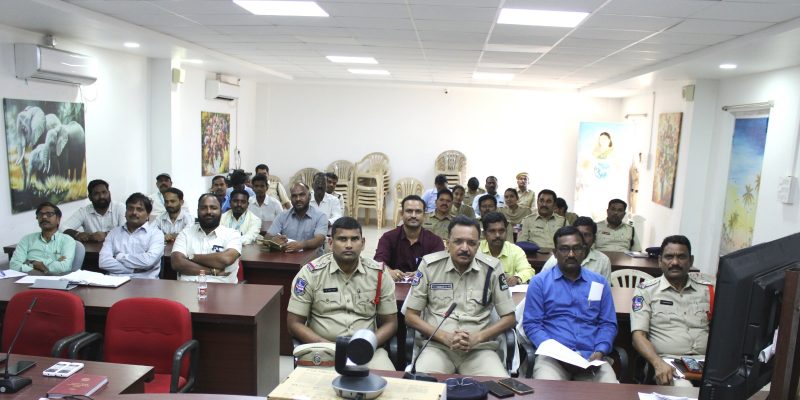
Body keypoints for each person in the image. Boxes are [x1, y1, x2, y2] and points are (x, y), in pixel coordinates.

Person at [404, 216, 516, 377]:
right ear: (447, 243)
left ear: (478, 245)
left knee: (499, 386)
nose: (465, 248)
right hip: (437, 348)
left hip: (479, 350)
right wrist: (444, 337)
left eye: (471, 243)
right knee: (423, 386)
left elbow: (509, 318)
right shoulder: (429, 266)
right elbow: (410, 317)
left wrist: (477, 338)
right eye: (458, 242)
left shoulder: (492, 268)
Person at [286, 217, 397, 370]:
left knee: (389, 381)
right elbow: (294, 324)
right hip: (323, 349)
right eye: (342, 239)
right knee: (312, 384)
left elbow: (391, 323)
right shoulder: (310, 274)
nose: (349, 245)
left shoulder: (378, 274)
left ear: (363, 243)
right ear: (331, 243)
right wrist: (331, 347)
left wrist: (367, 344)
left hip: (368, 350)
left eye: (354, 239)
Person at [523, 226, 618, 383]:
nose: (571, 254)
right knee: (547, 390)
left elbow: (608, 324)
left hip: (591, 357)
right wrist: (556, 352)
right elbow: (532, 325)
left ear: (584, 251)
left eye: (576, 248)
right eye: (564, 249)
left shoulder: (599, 282)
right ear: (555, 252)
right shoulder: (539, 282)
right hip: (553, 359)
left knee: (611, 391)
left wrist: (601, 350)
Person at [631, 235, 713, 387]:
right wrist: (658, 363)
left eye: (681, 257)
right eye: (669, 257)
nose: (675, 262)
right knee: (684, 389)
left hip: (707, 363)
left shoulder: (708, 290)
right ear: (660, 261)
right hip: (668, 363)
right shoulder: (646, 291)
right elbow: (638, 337)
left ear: (691, 261)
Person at [171, 194, 243, 283]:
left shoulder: (232, 234)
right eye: (203, 208)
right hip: (187, 288)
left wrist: (191, 257)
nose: (208, 211)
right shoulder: (185, 234)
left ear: (221, 211)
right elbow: (177, 263)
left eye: (213, 208)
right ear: (197, 211)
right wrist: (212, 271)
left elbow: (225, 259)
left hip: (221, 288)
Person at [374, 195, 445, 282]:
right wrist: (388, 271)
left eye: (418, 211)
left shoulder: (435, 241)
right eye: (409, 211)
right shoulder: (388, 238)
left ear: (424, 215)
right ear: (401, 214)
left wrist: (422, 274)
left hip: (425, 286)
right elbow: (378, 261)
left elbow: (439, 267)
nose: (413, 215)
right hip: (392, 285)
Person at [99, 193, 165, 278]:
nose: (134, 212)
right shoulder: (113, 233)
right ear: (125, 212)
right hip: (115, 282)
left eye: (139, 209)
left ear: (148, 215)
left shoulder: (156, 234)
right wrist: (132, 270)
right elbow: (103, 262)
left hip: (146, 282)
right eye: (130, 208)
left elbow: (148, 261)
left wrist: (119, 257)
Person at [10, 202, 76, 275]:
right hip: (28, 279)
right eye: (40, 214)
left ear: (58, 219)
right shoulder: (27, 239)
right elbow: (14, 265)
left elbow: (64, 267)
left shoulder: (67, 240)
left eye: (49, 214)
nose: (44, 217)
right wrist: (36, 266)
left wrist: (29, 263)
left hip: (55, 280)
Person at [540, 217, 612, 281]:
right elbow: (541, 281)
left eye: (586, 235)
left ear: (594, 238)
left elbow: (604, 288)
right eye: (579, 234)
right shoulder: (556, 259)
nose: (582, 239)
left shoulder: (603, 261)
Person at [266, 183, 327, 253]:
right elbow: (267, 236)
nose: (298, 199)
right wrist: (273, 240)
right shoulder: (282, 216)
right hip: (287, 257)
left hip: (313, 258)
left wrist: (301, 245)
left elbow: (319, 240)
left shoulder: (320, 216)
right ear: (290, 198)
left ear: (309, 196)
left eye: (302, 195)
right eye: (294, 196)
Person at [479, 212, 534, 286]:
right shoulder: (477, 250)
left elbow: (528, 271)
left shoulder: (516, 250)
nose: (497, 235)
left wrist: (517, 278)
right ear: (484, 234)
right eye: (492, 231)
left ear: (506, 231)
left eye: (501, 231)